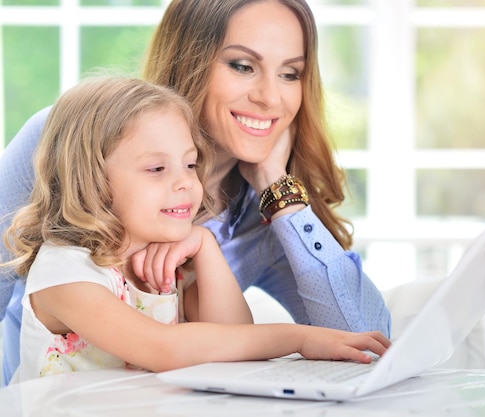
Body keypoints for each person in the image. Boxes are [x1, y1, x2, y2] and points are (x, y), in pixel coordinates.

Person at [0, 0, 392, 384]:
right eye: (242, 65)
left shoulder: (224, 236)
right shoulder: (69, 141)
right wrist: (298, 340)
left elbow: (369, 346)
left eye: (290, 74)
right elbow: (167, 348)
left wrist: (276, 190)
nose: (271, 98)